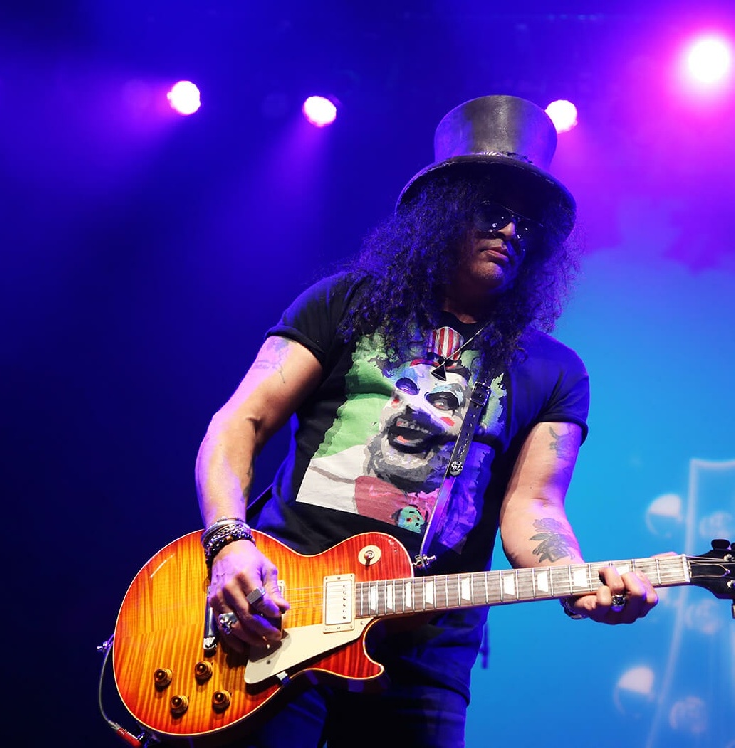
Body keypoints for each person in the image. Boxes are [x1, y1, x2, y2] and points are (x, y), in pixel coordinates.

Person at [196, 94, 660, 748]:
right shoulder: (347, 303)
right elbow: (238, 424)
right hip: (278, 608)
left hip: (424, 650)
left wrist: (579, 580)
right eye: (493, 212)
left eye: (526, 224)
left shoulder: (554, 370)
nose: (511, 232)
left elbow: (535, 507)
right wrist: (228, 543)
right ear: (445, 212)